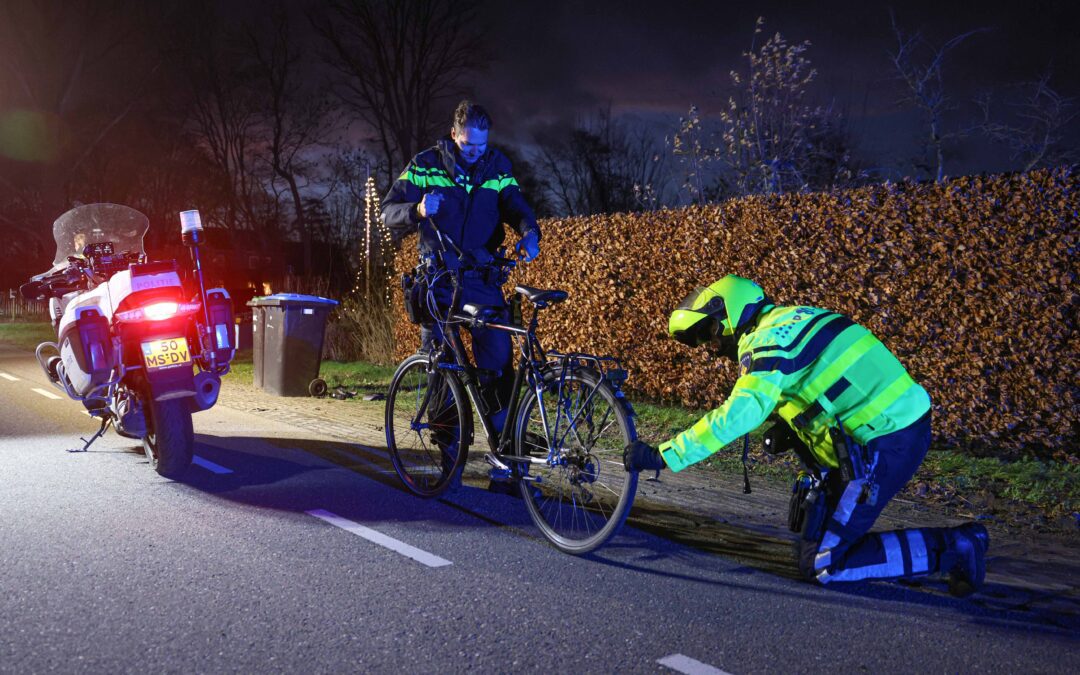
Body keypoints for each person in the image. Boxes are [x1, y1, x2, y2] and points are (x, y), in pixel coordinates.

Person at [624, 275, 989, 596]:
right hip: (885, 429)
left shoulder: (767, 342)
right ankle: (933, 548)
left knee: (824, 565)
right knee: (808, 547)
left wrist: (663, 455)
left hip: (885, 440)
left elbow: (737, 415)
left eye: (709, 333)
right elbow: (822, 381)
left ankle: (956, 547)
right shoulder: (791, 318)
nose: (712, 348)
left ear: (728, 311)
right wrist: (792, 425)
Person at [382, 100, 541, 491]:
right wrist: (418, 209)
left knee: (498, 368)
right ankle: (448, 458)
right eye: (468, 145)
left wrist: (530, 232)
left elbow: (517, 206)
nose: (474, 152)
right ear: (454, 135)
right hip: (438, 282)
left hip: (483, 280)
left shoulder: (497, 166)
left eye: (481, 145)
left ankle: (504, 464)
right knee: (442, 369)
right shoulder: (425, 165)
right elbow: (387, 212)